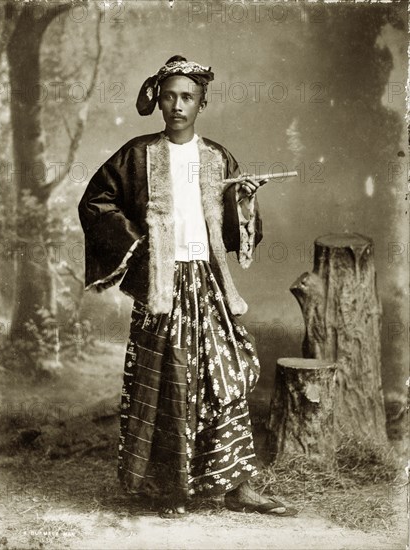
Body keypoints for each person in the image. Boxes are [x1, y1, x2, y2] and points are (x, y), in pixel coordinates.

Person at [78, 55, 297, 517]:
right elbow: (96, 202)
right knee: (171, 379)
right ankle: (170, 488)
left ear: (202, 103)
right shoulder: (137, 155)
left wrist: (245, 200)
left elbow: (239, 232)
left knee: (225, 376)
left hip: (208, 282)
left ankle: (238, 485)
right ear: (158, 98)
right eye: (170, 95)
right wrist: (140, 249)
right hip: (162, 283)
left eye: (188, 97)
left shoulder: (217, 157)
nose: (178, 105)